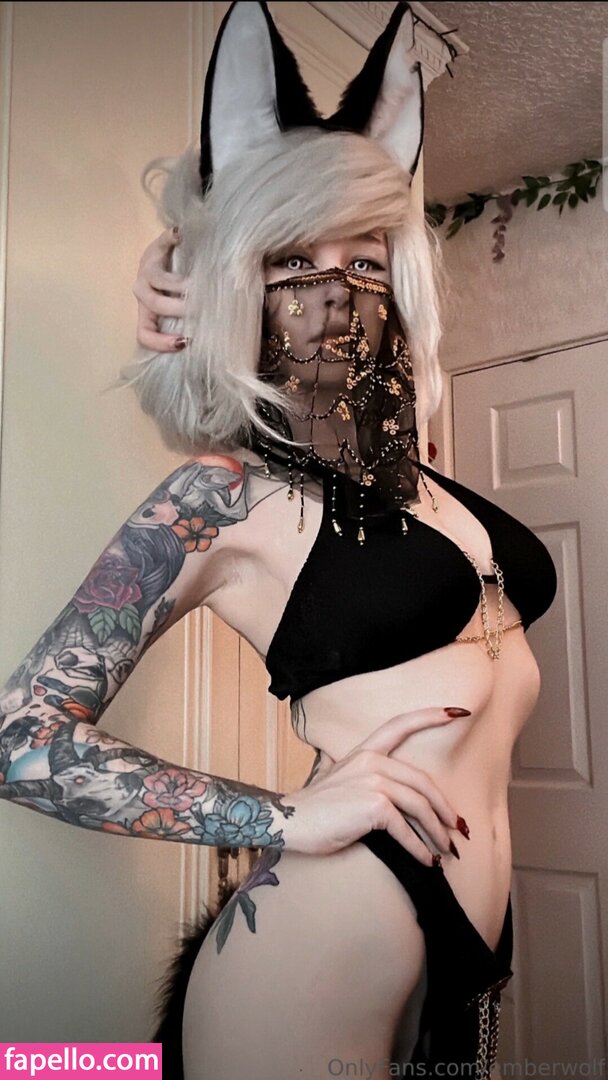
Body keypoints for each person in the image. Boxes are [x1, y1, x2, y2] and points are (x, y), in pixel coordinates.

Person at [0, 3, 558, 1078]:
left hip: (478, 928)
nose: (336, 295)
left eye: (363, 257)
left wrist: (233, 256)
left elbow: (360, 389)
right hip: (324, 933)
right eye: (293, 259)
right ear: (239, 280)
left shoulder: (420, 469)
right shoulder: (219, 497)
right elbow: (21, 738)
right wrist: (281, 816)